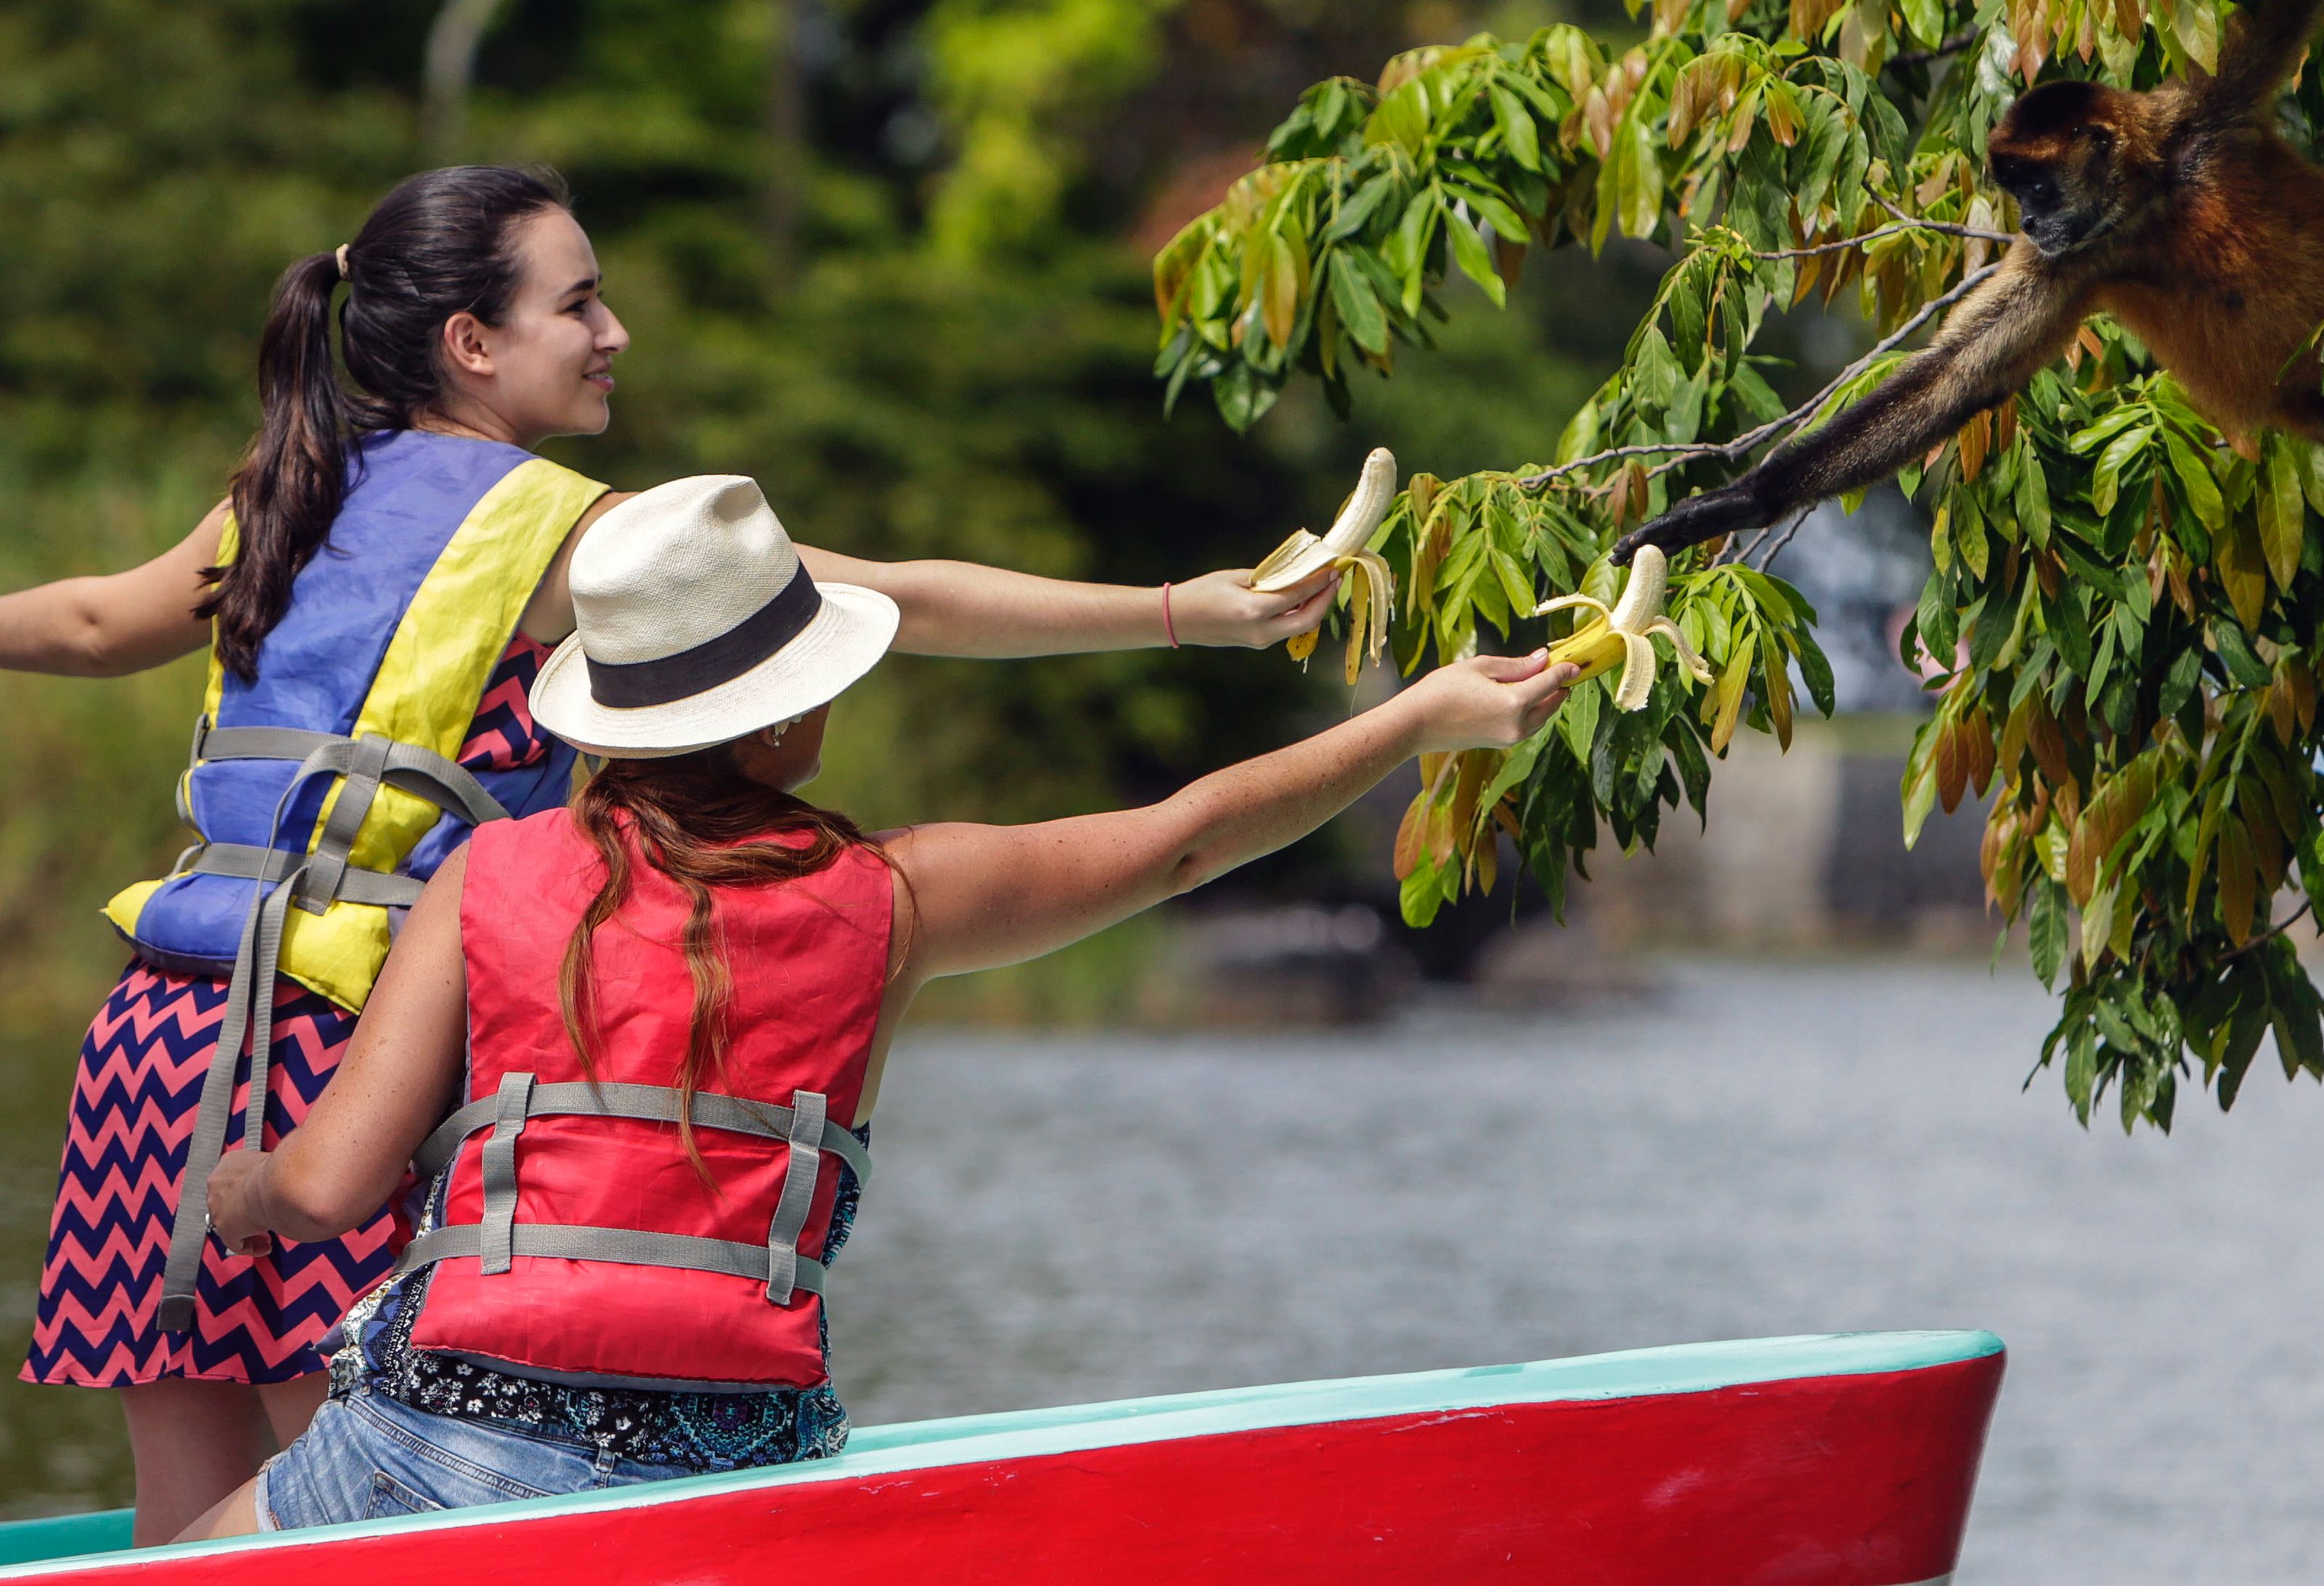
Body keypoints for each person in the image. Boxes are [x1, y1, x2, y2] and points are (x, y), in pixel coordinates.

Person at [4, 166, 1337, 1545]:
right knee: (352, 1533)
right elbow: (905, 598)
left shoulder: (286, 486)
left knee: (180, 1530)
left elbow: (99, 626)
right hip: (349, 1061)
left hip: (155, 1040)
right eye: (578, 303)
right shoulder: (559, 525)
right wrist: (1185, 612)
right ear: (473, 342)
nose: (614, 332)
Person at [178, 475, 1570, 1537]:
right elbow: (1186, 837)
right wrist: (1420, 718)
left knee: (182, 1548)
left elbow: (325, 1187)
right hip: (740, 1466)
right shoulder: (897, 898)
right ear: (788, 717)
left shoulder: (489, 874)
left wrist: (236, 1196)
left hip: (446, 1449)